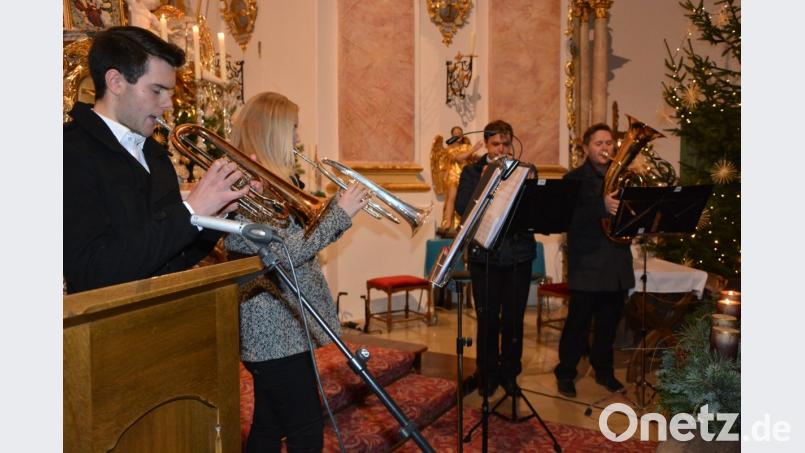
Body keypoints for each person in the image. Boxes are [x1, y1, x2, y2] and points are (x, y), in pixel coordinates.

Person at [225, 92, 370, 452]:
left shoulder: (272, 184)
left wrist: (333, 212)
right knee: (305, 431)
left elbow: (295, 242)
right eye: (291, 129)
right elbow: (280, 254)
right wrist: (340, 215)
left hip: (286, 324)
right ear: (272, 132)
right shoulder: (245, 188)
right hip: (272, 331)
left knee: (268, 426)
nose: (297, 139)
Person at [63, 26, 250, 293]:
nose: (168, 105)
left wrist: (219, 211)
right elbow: (93, 271)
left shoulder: (155, 154)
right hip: (109, 330)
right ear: (116, 82)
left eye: (170, 93)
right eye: (157, 90)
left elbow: (176, 257)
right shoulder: (70, 151)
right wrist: (191, 212)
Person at [455, 120, 536, 396]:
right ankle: (487, 373)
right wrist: (483, 181)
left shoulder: (526, 170)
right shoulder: (472, 172)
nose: (501, 149)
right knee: (487, 317)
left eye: (506, 144)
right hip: (485, 256)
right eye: (495, 144)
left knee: (514, 319)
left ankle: (510, 374)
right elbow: (461, 207)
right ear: (486, 146)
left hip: (518, 255)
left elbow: (534, 209)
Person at [554, 123, 635, 398]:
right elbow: (569, 220)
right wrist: (602, 206)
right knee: (578, 322)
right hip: (588, 263)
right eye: (599, 143)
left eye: (609, 143)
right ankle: (565, 372)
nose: (605, 148)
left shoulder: (625, 178)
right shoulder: (573, 180)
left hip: (616, 262)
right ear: (586, 148)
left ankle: (604, 371)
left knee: (609, 323)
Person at [430, 126, 482, 232]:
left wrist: (487, 158)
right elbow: (458, 158)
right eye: (455, 133)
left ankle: (464, 223)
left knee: (465, 199)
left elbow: (475, 158)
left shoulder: (467, 147)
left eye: (460, 132)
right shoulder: (449, 149)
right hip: (453, 176)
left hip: (466, 177)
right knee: (451, 198)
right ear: (452, 136)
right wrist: (473, 149)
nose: (458, 134)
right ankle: (447, 224)